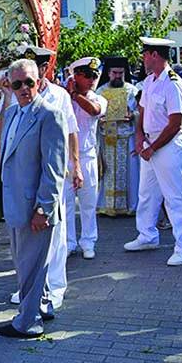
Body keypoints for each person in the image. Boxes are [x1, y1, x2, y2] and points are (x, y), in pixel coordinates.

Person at [0, 46, 78, 311]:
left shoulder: (51, 110)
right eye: (17, 83)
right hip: (16, 204)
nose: (23, 88)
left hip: (37, 205)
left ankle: (31, 319)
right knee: (24, 263)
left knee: (40, 258)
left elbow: (54, 168)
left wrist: (44, 207)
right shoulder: (12, 112)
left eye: (29, 83)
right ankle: (40, 305)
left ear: (40, 80)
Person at [124, 37, 182, 266]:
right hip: (150, 145)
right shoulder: (150, 81)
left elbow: (175, 123)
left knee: (175, 197)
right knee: (146, 194)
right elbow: (142, 112)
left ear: (155, 55)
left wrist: (152, 147)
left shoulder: (173, 83)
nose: (142, 58)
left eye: (145, 54)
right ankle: (147, 235)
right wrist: (139, 137)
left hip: (168, 146)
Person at [65, 57, 107, 260]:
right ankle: (69, 242)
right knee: (66, 203)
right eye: (87, 76)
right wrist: (69, 94)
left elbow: (94, 110)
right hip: (65, 157)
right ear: (76, 76)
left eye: (95, 76)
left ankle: (88, 241)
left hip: (87, 156)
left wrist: (74, 95)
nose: (92, 80)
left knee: (88, 203)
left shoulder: (98, 98)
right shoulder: (62, 97)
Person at [97, 57, 140, 216]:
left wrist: (133, 115)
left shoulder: (131, 90)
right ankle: (105, 205)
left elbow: (140, 112)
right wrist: (98, 119)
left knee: (130, 172)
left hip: (126, 137)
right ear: (108, 73)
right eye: (114, 73)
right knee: (106, 172)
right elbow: (95, 113)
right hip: (106, 138)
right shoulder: (100, 91)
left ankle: (130, 206)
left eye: (121, 73)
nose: (117, 76)